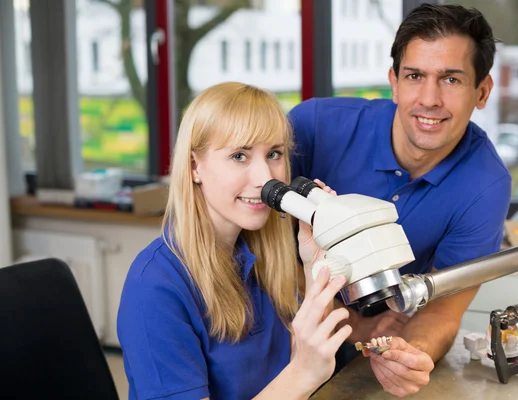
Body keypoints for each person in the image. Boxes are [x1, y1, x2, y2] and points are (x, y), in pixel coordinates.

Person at [289, 3, 511, 397]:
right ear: (394, 81)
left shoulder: (485, 185)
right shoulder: (313, 127)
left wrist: (412, 353)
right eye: (414, 76)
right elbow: (241, 230)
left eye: (451, 79)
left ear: (482, 91)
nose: (429, 99)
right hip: (263, 328)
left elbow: (443, 310)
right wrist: (348, 322)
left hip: (357, 351)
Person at [117, 82, 353, 400]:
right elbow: (301, 375)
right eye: (239, 156)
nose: (264, 177)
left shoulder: (263, 255)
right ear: (194, 167)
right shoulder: (155, 287)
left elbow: (304, 361)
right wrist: (303, 375)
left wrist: (315, 264)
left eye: (274, 154)